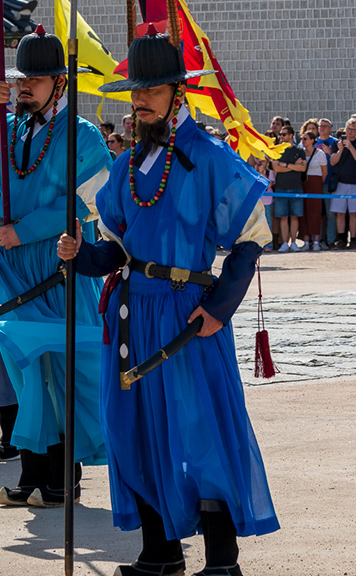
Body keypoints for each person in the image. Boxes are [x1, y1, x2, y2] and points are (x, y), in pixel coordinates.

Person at [63, 28, 276, 575]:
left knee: (198, 430)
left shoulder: (209, 157)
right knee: (132, 427)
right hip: (132, 313)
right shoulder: (129, 163)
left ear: (178, 94)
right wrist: (77, 254)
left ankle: (222, 561)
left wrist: (220, 308)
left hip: (186, 315)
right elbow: (113, 250)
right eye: (135, 91)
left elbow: (253, 237)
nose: (139, 100)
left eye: (151, 91)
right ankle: (159, 554)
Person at [1, 26, 109, 506]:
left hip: (58, 264)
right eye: (23, 78)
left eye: (37, 79)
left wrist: (22, 231)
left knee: (64, 369)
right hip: (12, 269)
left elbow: (88, 202)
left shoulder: (83, 136)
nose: (26, 86)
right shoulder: (11, 129)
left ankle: (63, 478)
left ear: (60, 84)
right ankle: (31, 474)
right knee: (26, 369)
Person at [330, 120, 356, 249]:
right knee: (339, 212)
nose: (349, 131)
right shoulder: (338, 144)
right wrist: (341, 150)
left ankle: (353, 239)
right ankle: (341, 238)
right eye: (348, 128)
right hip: (340, 182)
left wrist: (351, 147)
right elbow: (332, 162)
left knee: (354, 213)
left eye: (353, 129)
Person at [301, 124, 330, 250]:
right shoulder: (300, 153)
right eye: (302, 138)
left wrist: (318, 184)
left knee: (315, 212)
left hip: (316, 183)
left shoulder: (320, 154)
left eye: (306, 138)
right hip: (303, 184)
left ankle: (316, 241)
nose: (303, 140)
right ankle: (306, 242)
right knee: (304, 212)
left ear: (312, 140)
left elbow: (325, 172)